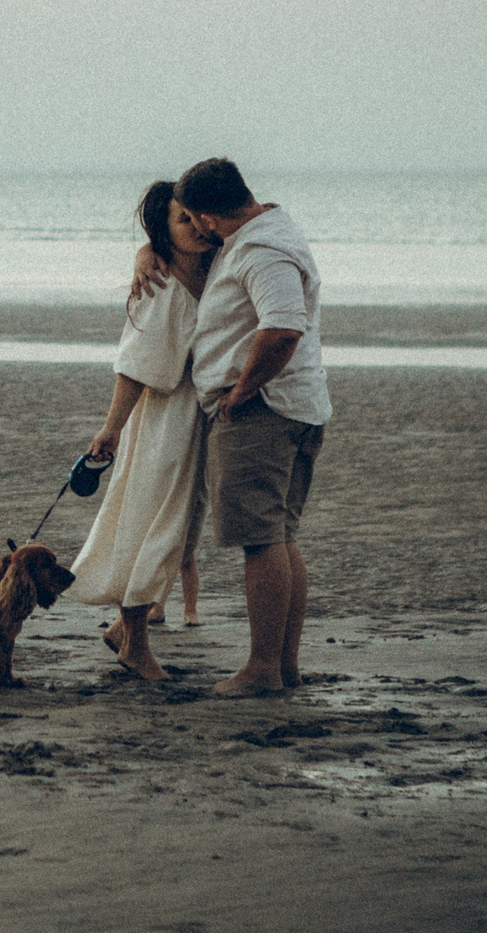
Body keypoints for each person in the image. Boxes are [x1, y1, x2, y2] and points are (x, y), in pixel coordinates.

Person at [139, 158, 330, 698]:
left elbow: (283, 328)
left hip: (263, 412)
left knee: (261, 541)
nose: (197, 231)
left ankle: (263, 667)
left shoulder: (260, 250)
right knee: (280, 536)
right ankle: (284, 666)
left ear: (208, 216)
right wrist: (147, 252)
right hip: (292, 406)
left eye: (194, 219)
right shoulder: (260, 230)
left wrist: (242, 391)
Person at [67, 181, 215, 681]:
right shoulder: (159, 286)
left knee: (179, 532)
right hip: (162, 422)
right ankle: (136, 645)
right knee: (154, 526)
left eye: (197, 216)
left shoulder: (216, 268)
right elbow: (132, 365)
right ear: (162, 232)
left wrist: (144, 250)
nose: (195, 227)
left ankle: (123, 631)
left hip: (198, 419)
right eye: (182, 220)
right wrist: (111, 428)